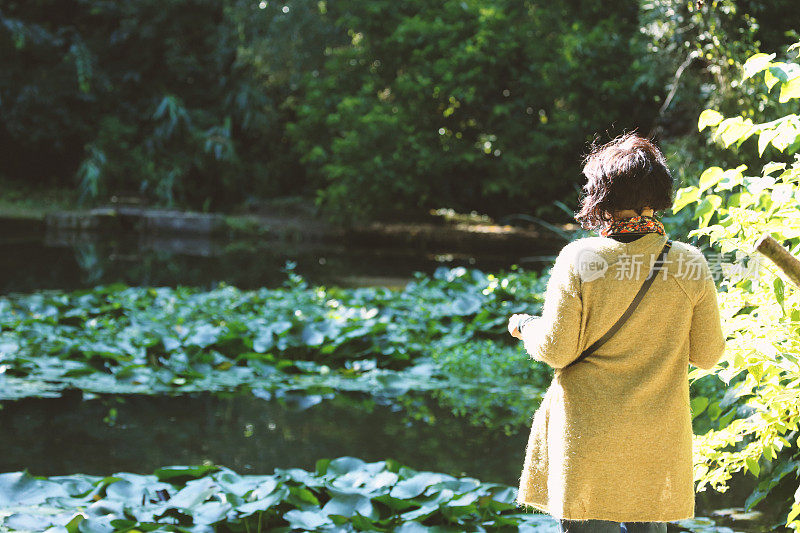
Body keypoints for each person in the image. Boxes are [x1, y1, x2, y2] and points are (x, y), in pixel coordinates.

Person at [507, 133, 726, 533]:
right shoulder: (689, 263)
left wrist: (525, 326)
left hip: (588, 436)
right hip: (655, 438)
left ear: (601, 196)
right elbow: (708, 355)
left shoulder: (580, 258)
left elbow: (557, 350)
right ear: (659, 193)